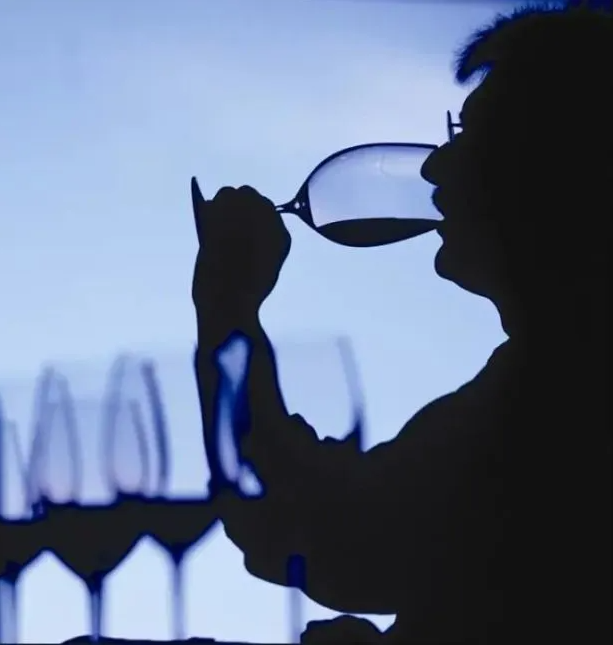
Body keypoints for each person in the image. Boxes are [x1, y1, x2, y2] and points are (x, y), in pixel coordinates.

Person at [192, 4, 610, 643]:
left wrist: (228, 309)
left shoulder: (560, 390)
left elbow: (321, 532)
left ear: (556, 171)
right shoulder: (547, 367)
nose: (436, 168)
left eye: (472, 140)